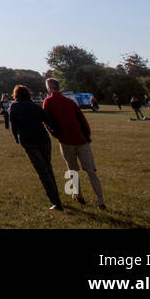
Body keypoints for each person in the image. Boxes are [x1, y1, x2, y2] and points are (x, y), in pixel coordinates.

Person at [42, 79, 105, 209]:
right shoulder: (70, 101)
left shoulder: (48, 102)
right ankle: (100, 200)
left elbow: (47, 121)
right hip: (81, 140)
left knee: (72, 169)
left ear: (49, 88)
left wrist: (56, 135)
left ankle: (77, 193)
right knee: (91, 171)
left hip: (66, 141)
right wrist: (87, 136)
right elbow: (82, 119)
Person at [7, 84, 64, 210]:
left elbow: (13, 125)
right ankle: (56, 197)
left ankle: (56, 201)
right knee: (48, 167)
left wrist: (17, 139)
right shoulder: (34, 106)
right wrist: (56, 133)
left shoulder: (14, 106)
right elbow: (47, 119)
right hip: (43, 139)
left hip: (28, 141)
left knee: (42, 170)